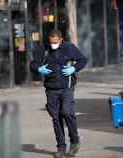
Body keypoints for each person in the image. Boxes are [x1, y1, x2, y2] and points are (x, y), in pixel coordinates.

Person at [30, 29, 87, 158]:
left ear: (61, 40)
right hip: (51, 89)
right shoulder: (42, 49)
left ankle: (74, 141)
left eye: (55, 42)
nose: (53, 45)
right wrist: (38, 68)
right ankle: (61, 147)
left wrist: (74, 68)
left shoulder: (69, 48)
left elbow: (82, 60)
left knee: (67, 112)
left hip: (66, 87)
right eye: (51, 42)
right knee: (56, 118)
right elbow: (33, 64)